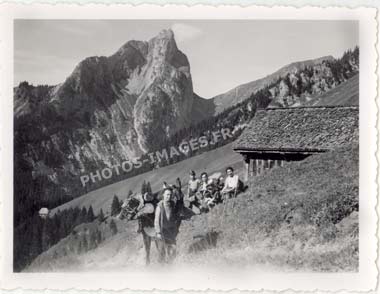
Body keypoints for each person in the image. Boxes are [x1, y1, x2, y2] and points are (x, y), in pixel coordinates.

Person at [154, 188, 180, 263]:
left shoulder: (172, 204)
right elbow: (156, 220)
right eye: (167, 194)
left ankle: (170, 265)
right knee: (162, 251)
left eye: (170, 194)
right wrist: (158, 232)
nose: (169, 196)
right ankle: (161, 268)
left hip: (171, 230)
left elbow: (174, 216)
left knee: (173, 248)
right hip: (162, 231)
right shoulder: (160, 206)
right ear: (163, 195)